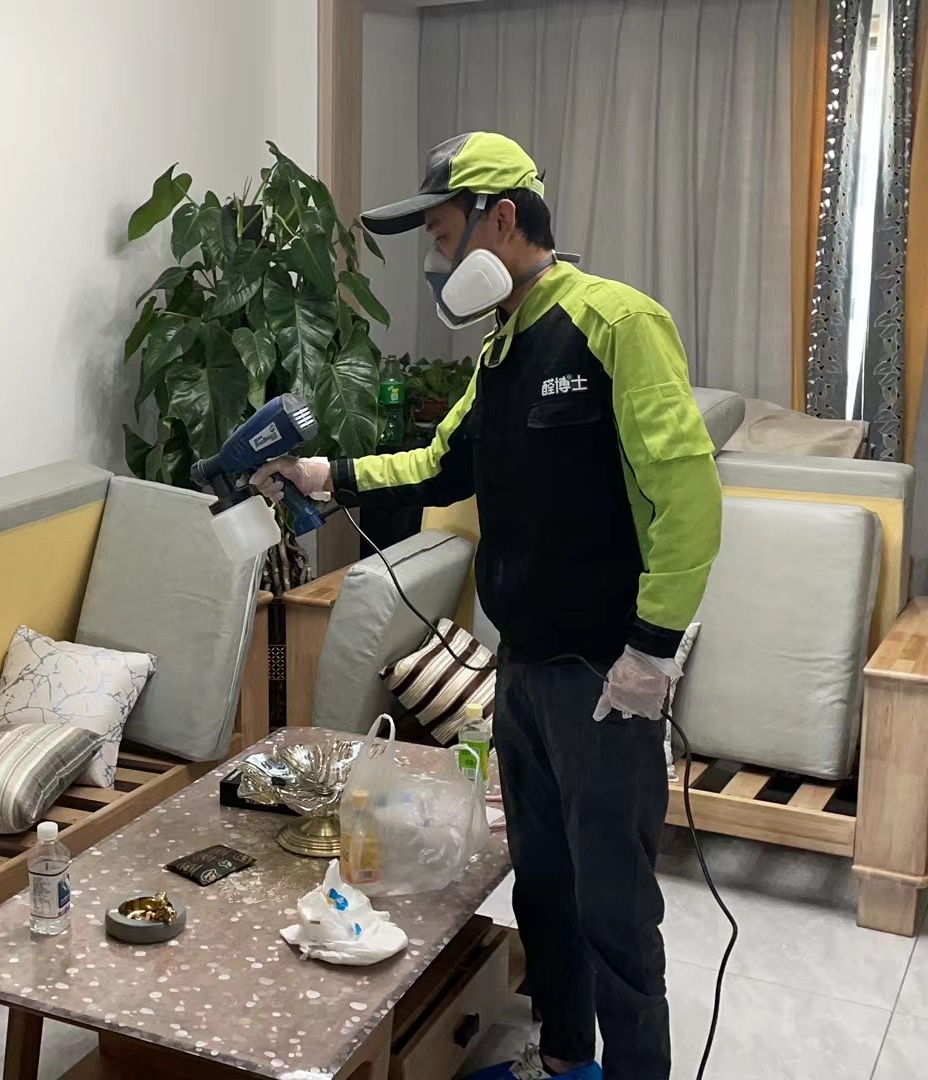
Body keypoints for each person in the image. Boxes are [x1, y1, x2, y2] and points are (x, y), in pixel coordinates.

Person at [255, 132, 722, 1080]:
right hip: (523, 671)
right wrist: (325, 473)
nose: (435, 261)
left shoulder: (615, 324)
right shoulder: (500, 350)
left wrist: (652, 651)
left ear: (501, 219)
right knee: (543, 889)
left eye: (440, 235)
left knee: (615, 907)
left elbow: (690, 498)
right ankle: (567, 1063)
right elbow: (440, 465)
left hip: (606, 679)